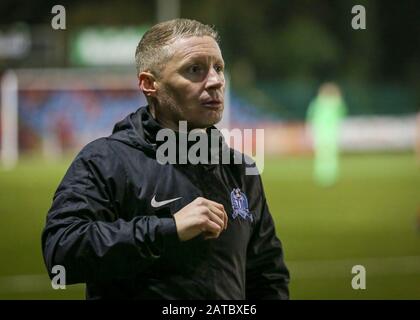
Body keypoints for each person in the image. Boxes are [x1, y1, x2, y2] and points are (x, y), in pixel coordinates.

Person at [41, 18, 290, 299]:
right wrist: (168, 230)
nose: (216, 81)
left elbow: (267, 276)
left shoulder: (240, 169)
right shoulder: (104, 161)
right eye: (195, 70)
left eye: (218, 68)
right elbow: (61, 251)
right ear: (150, 84)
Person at [306, 82, 347, 187]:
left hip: (325, 132)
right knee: (327, 155)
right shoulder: (334, 102)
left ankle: (324, 176)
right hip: (328, 133)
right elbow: (343, 112)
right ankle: (327, 176)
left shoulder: (318, 102)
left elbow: (310, 115)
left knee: (324, 155)